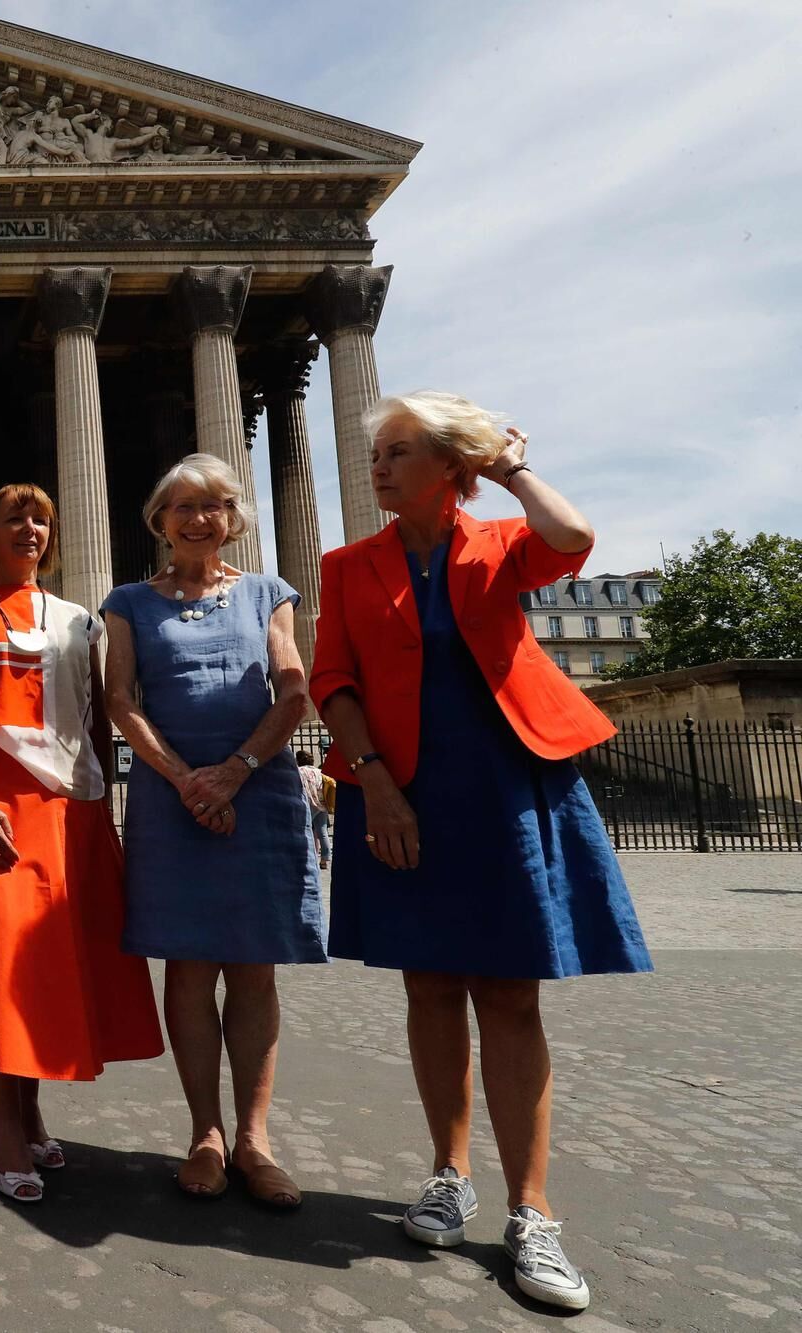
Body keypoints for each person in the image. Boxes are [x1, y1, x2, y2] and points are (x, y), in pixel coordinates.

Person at [312, 392, 652, 1312]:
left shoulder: (499, 543)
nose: (377, 466)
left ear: (451, 467)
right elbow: (333, 682)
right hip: (405, 790)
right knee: (429, 985)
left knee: (508, 992)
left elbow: (573, 537)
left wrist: (509, 468)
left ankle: (532, 1211)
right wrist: (375, 782)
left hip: (506, 785)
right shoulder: (348, 565)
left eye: (398, 451)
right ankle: (449, 1173)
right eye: (376, 451)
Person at [0, 484, 164, 1203]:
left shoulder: (80, 622)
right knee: (2, 962)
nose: (30, 528)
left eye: (42, 519)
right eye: (16, 517)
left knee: (46, 963)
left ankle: (26, 1109)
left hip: (67, 811)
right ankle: (4, 1122)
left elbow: (100, 721)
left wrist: (103, 812)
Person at [102, 452, 324, 1210]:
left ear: (233, 519)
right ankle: (205, 1132)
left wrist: (233, 770)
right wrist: (185, 780)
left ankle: (256, 1138)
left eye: (215, 506)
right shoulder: (129, 600)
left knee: (253, 969)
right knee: (190, 970)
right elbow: (119, 699)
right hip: (172, 798)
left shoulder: (268, 592)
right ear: (160, 519)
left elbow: (291, 686)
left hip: (254, 790)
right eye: (185, 506)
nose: (200, 519)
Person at [295, 749, 333, 871]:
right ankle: (325, 859)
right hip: (322, 803)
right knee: (322, 832)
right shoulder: (320, 771)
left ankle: (307, 857)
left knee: (304, 830)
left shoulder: (300, 771)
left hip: (309, 803)